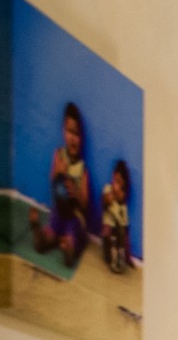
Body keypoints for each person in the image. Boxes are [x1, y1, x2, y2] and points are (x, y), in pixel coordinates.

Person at [29, 102, 90, 268]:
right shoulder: (59, 155)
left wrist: (76, 191)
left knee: (72, 236)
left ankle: (68, 247)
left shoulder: (83, 170)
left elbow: (85, 204)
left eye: (76, 134)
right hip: (59, 212)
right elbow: (52, 181)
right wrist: (59, 172)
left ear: (82, 139)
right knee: (48, 235)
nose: (72, 138)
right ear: (63, 132)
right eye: (69, 132)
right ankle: (39, 233)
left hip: (74, 217)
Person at [99, 161, 132, 273]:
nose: (116, 185)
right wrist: (113, 194)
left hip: (118, 236)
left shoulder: (123, 206)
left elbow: (125, 227)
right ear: (113, 177)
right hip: (108, 231)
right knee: (107, 232)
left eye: (120, 183)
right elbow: (105, 200)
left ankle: (120, 257)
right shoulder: (108, 189)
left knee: (121, 235)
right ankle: (110, 255)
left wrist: (128, 256)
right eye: (115, 180)